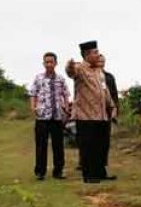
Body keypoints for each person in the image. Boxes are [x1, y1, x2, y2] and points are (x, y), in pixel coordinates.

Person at [66, 41, 116, 183]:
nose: (98, 55)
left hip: (101, 115)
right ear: (87, 55)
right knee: (88, 146)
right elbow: (71, 72)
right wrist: (69, 65)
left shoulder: (99, 71)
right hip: (85, 115)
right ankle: (89, 175)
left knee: (101, 146)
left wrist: (112, 106)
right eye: (95, 52)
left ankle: (101, 173)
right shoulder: (80, 68)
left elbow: (104, 90)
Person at [29, 52, 70, 181]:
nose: (49, 64)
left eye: (51, 62)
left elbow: (66, 94)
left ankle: (58, 171)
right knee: (41, 145)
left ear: (56, 63)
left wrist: (67, 107)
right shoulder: (38, 78)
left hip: (57, 117)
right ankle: (40, 172)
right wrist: (33, 107)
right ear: (43, 63)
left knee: (58, 146)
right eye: (46, 62)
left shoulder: (61, 79)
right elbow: (33, 93)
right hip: (42, 117)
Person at [99, 54, 118, 174]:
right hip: (93, 111)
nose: (101, 63)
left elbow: (114, 94)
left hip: (107, 111)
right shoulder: (89, 75)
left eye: (103, 61)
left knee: (105, 139)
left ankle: (103, 164)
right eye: (99, 61)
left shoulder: (109, 77)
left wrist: (115, 109)